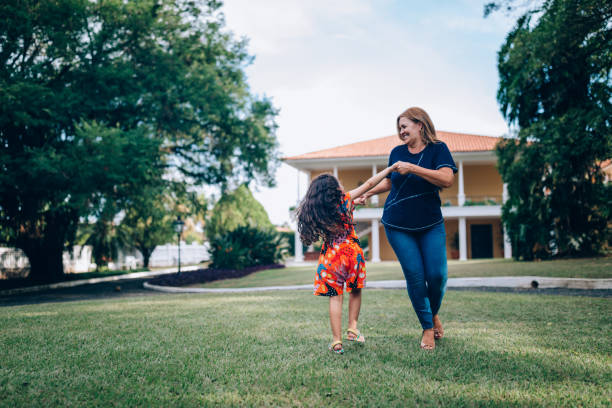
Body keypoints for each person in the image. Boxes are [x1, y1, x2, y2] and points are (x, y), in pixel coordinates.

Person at [354, 107, 456, 350]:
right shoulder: (397, 152)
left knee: (437, 276)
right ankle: (427, 328)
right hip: (398, 224)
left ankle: (432, 314)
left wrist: (413, 168)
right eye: (399, 128)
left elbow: (446, 179)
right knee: (416, 277)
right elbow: (391, 180)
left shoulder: (438, 149)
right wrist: (368, 192)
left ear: (420, 125)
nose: (401, 131)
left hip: (431, 223)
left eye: (404, 126)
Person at [296, 164, 398, 354]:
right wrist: (388, 169)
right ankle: (352, 327)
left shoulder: (319, 210)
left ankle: (336, 342)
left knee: (335, 298)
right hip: (352, 254)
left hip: (331, 258)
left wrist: (356, 202)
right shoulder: (346, 200)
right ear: (334, 189)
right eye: (339, 184)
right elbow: (369, 183)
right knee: (355, 290)